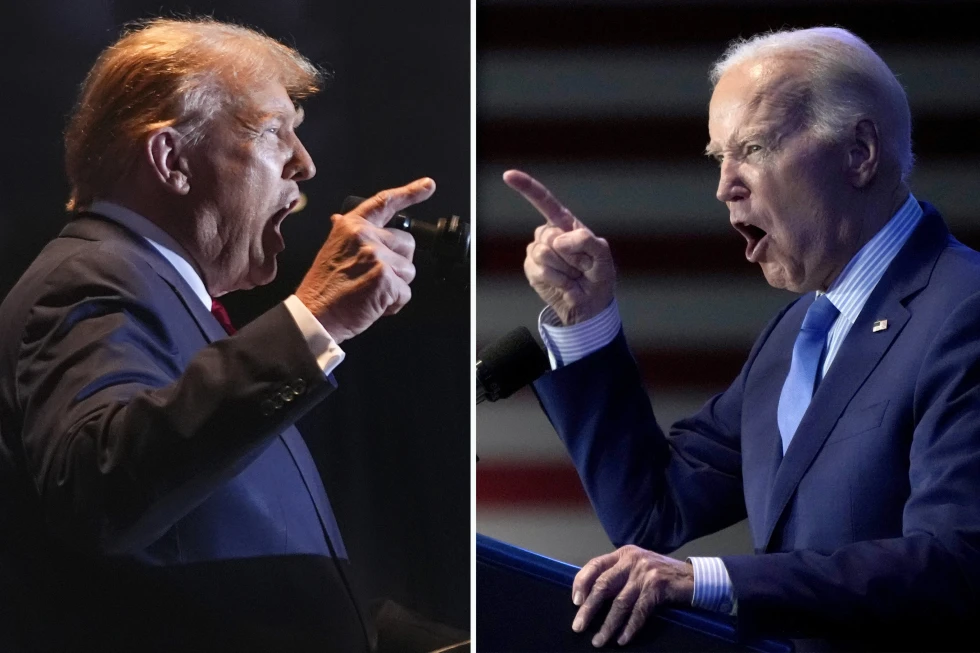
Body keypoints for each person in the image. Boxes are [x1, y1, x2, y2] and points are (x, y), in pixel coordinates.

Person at [505, 26, 980, 649]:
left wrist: (708, 580)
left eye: (753, 148)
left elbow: (957, 563)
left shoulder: (963, 309)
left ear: (859, 151)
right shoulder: (796, 334)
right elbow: (654, 510)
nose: (725, 184)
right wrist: (587, 316)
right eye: (718, 158)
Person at [0, 17, 464, 653]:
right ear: (172, 161)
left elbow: (214, 576)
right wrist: (314, 319)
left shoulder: (164, 294)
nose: (305, 163)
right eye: (274, 133)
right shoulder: (90, 277)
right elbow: (99, 486)